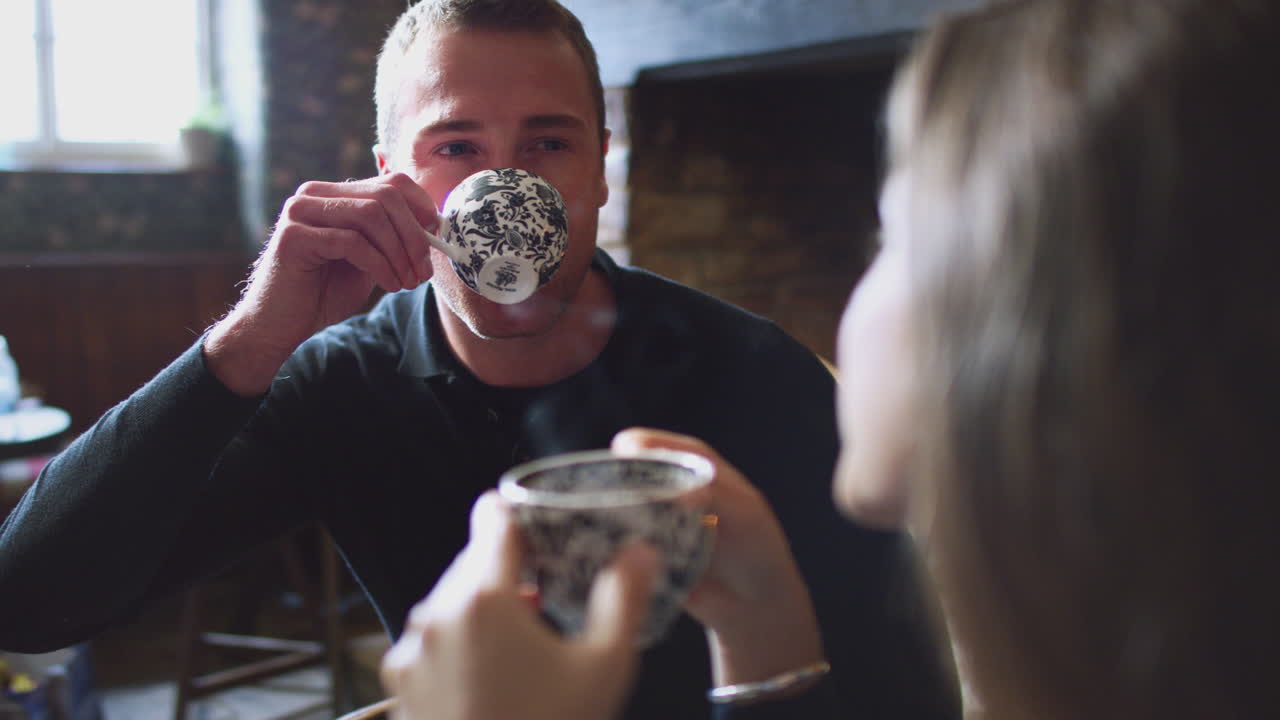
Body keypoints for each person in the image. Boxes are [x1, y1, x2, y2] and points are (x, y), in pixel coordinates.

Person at [0, 1, 957, 719]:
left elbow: (902, 681)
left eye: (549, 142)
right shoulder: (343, 383)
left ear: (599, 171)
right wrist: (251, 338)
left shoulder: (748, 372)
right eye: (457, 146)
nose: (511, 190)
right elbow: (28, 603)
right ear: (390, 174)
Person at [380, 0, 1280, 717]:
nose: (854, 293)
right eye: (458, 146)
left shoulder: (758, 370)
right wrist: (769, 645)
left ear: (1041, 327)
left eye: (890, 232)